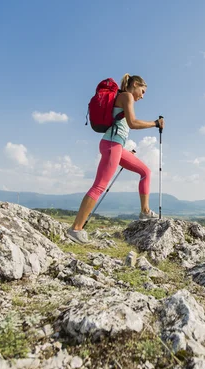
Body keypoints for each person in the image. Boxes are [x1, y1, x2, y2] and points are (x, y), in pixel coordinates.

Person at [67, 73, 165, 244]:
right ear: (135, 84)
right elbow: (133, 123)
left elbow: (122, 126)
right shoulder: (126, 96)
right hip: (112, 145)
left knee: (145, 172)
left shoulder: (123, 97)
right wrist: (155, 123)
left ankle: (144, 212)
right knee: (99, 186)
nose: (142, 96)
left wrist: (123, 151)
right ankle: (75, 229)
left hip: (116, 146)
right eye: (142, 91)